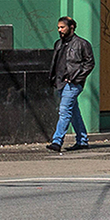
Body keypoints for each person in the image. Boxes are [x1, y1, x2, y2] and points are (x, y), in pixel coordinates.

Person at [47, 16, 94, 152]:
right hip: (60, 82)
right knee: (73, 111)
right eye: (58, 27)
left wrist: (76, 78)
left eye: (62, 27)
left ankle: (57, 141)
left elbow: (89, 63)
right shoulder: (59, 43)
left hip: (73, 83)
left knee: (64, 110)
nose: (59, 30)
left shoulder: (82, 44)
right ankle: (82, 140)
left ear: (71, 27)